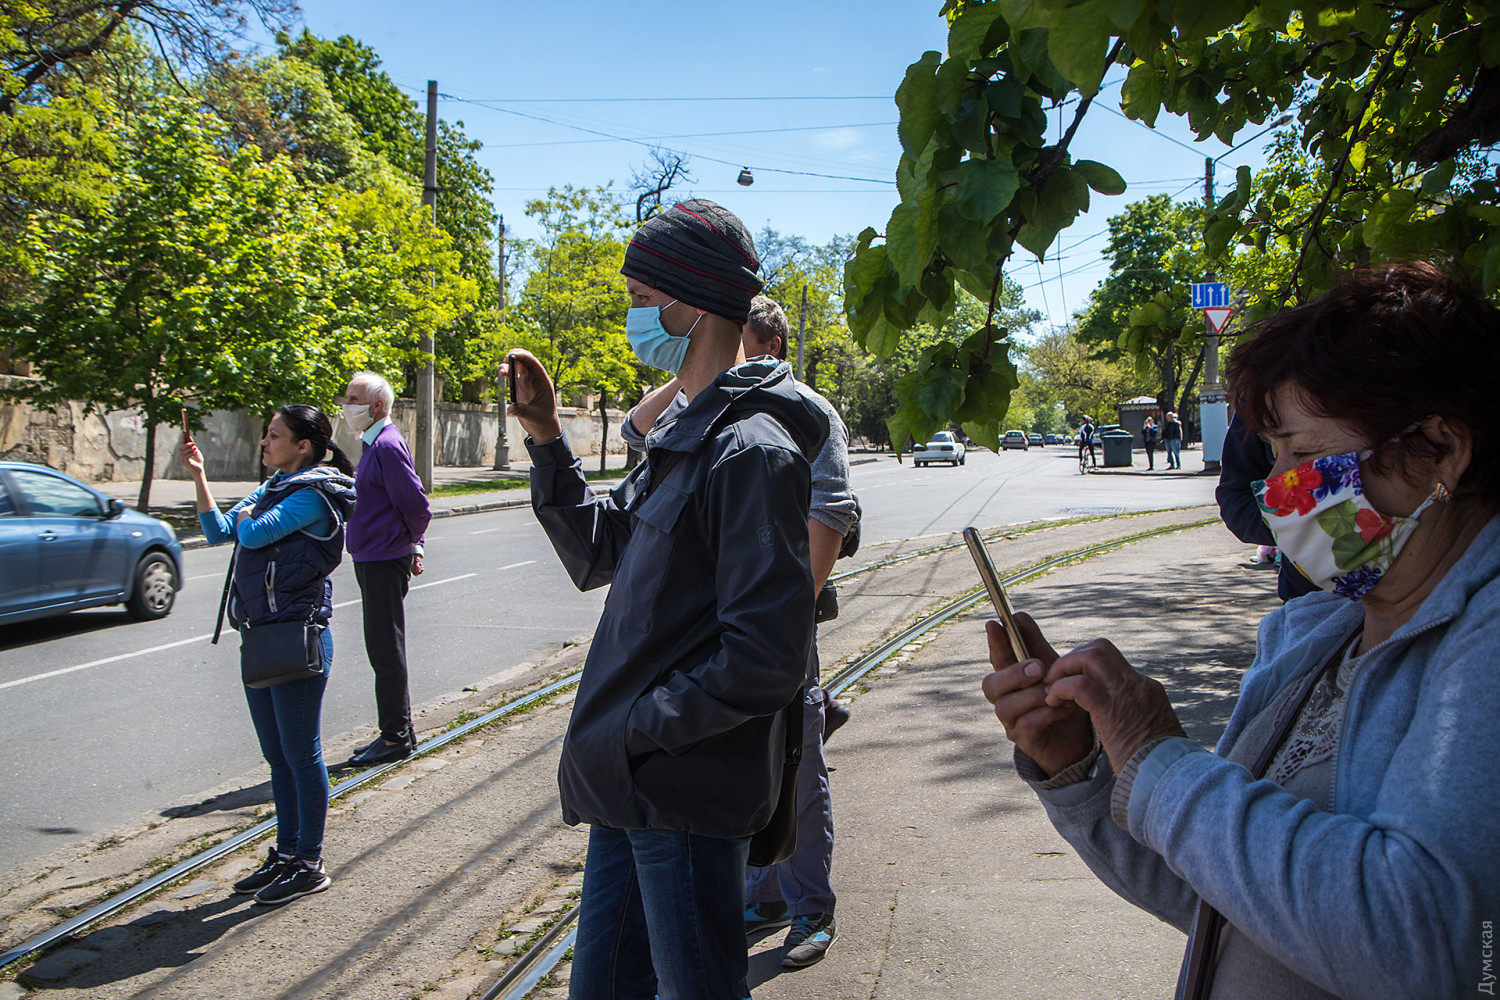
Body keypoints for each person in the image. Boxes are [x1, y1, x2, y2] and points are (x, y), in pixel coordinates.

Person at [981, 262, 1500, 998]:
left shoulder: (1485, 637)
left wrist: (1156, 757)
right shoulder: (1316, 636)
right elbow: (1220, 896)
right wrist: (1088, 771)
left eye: (1307, 454)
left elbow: (1432, 949)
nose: (1281, 489)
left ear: (1443, 449)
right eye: (1274, 456)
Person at [503, 200, 829, 1000]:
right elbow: (599, 550)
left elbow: (766, 658)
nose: (632, 314)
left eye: (641, 295)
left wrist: (636, 731)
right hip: (634, 787)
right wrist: (547, 433)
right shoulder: (691, 431)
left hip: (679, 789)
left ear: (689, 302)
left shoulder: (751, 450)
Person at [620, 293, 856, 968]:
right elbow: (638, 434)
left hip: (771, 632)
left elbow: (831, 513)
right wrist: (698, 368)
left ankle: (812, 906)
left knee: (796, 769)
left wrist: (785, 621)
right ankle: (766, 891)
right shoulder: (708, 403)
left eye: (737, 344)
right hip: (701, 634)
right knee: (735, 772)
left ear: (772, 349)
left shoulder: (804, 412)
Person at [179, 406, 356, 906]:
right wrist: (200, 478)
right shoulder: (277, 487)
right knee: (277, 757)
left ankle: (309, 861)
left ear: (303, 445)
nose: (264, 442)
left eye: (274, 435)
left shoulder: (312, 494)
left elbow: (250, 533)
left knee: (302, 755)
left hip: (299, 636)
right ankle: (286, 852)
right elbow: (219, 531)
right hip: (261, 635)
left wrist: (249, 513)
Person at [339, 371, 432, 767]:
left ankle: (395, 737)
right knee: (383, 646)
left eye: (353, 397)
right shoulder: (375, 443)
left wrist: (412, 543)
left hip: (381, 558)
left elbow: (416, 505)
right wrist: (412, 545)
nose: (347, 405)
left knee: (385, 648)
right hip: (375, 556)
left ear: (377, 405)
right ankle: (399, 730)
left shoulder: (386, 445)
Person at [1218, 410, 1318, 601]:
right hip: (1302, 596)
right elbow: (1237, 501)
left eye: (1303, 451)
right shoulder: (1257, 393)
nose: (1274, 479)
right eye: (1274, 451)